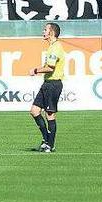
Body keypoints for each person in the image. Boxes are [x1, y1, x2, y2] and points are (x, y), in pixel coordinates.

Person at [29, 23, 66, 153]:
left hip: (53, 84)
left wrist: (35, 70)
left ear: (51, 32)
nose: (43, 31)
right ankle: (46, 140)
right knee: (34, 111)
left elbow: (50, 68)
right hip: (47, 83)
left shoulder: (56, 47)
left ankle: (50, 144)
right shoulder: (52, 47)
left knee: (50, 114)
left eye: (45, 29)